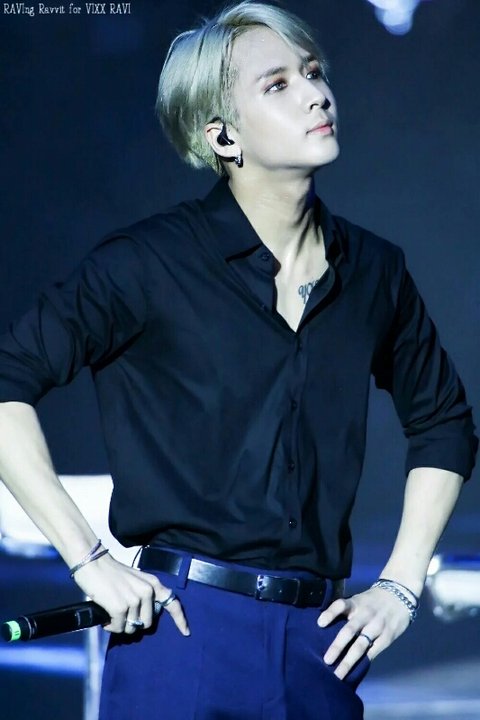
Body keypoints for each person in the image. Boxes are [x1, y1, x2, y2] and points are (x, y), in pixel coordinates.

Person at [0, 2, 477, 718]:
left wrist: (401, 585)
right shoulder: (148, 263)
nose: (316, 94)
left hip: (320, 642)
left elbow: (443, 423)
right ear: (223, 135)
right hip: (182, 634)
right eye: (277, 84)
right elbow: (6, 385)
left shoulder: (375, 271)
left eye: (313, 72)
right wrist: (88, 559)